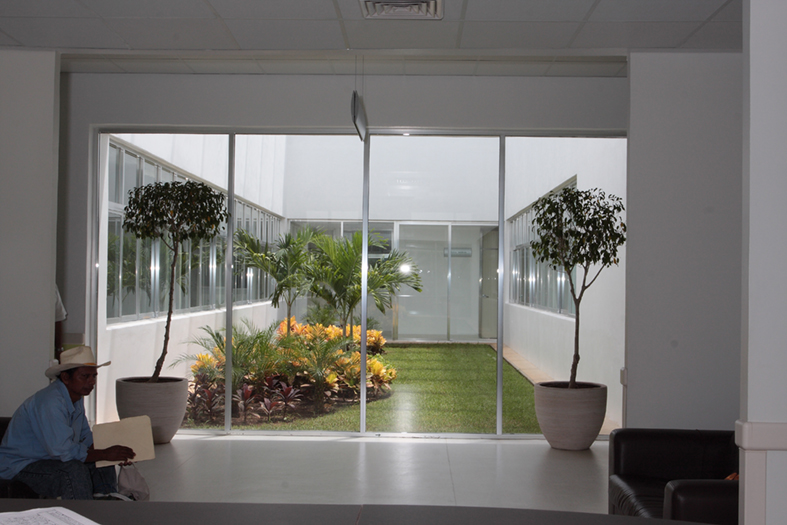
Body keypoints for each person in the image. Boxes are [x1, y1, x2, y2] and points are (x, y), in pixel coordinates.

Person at [0, 346, 135, 499]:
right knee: (74, 470)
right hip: (20, 465)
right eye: (85, 376)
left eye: (94, 376)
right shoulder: (50, 402)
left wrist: (116, 452)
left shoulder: (75, 399)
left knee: (102, 460)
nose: (91, 382)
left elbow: (86, 438)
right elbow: (62, 452)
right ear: (65, 377)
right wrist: (104, 452)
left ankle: (105, 502)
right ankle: (84, 516)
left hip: (49, 459)